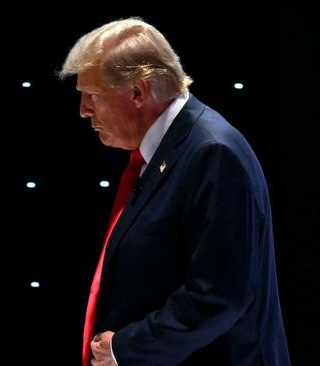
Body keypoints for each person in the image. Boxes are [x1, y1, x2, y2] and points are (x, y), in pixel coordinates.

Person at [58, 17, 291, 366]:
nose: (83, 111)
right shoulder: (169, 149)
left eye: (92, 96)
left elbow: (218, 296)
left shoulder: (213, 153)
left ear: (138, 91)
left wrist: (126, 348)